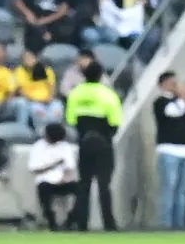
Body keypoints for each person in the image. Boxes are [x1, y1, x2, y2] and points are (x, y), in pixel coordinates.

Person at [65, 61, 122, 230]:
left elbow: (70, 120)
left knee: (84, 185)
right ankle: (109, 224)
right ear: (100, 75)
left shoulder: (76, 93)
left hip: (84, 142)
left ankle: (82, 224)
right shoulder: (108, 94)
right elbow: (115, 121)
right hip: (103, 142)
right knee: (104, 185)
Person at [154, 71, 185, 230]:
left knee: (182, 191)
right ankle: (166, 224)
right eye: (171, 82)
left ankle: (179, 224)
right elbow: (174, 112)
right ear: (162, 85)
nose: (175, 85)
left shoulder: (182, 102)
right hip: (169, 150)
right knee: (169, 189)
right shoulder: (161, 102)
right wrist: (182, 97)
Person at [27, 122, 78, 230]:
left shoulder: (65, 146)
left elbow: (70, 167)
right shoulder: (38, 147)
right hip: (46, 181)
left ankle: (71, 220)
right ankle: (51, 222)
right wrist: (54, 165)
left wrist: (65, 178)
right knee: (43, 189)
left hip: (63, 181)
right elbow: (34, 169)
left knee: (81, 190)